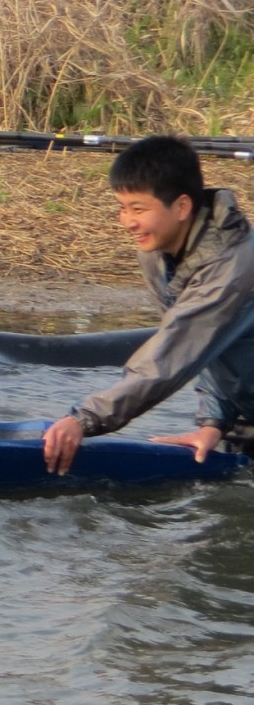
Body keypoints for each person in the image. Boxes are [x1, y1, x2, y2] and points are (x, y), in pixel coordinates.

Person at [42, 137, 254, 474]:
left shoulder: (234, 267)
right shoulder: (157, 252)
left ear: (182, 207)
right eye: (122, 208)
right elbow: (210, 348)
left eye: (138, 209)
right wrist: (213, 422)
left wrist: (83, 419)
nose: (127, 221)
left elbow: (173, 354)